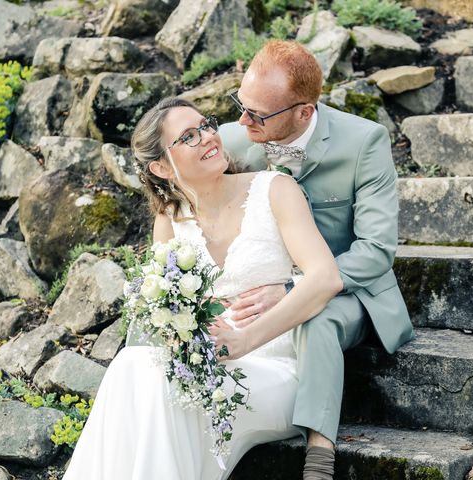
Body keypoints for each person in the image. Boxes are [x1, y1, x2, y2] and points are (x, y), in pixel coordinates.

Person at [61, 96, 344, 480]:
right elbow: (161, 318)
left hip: (276, 369)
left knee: (159, 388)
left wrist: (245, 341)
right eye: (190, 136)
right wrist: (185, 335)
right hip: (204, 370)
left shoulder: (274, 190)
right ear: (161, 166)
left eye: (207, 125)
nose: (209, 137)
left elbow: (326, 277)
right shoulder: (170, 221)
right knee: (131, 366)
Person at [217, 39, 415, 478]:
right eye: (241, 104)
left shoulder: (364, 142)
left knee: (314, 318)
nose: (242, 120)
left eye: (258, 114)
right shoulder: (234, 140)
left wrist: (292, 290)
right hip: (257, 283)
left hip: (348, 289)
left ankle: (319, 460)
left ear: (304, 112)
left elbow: (376, 251)